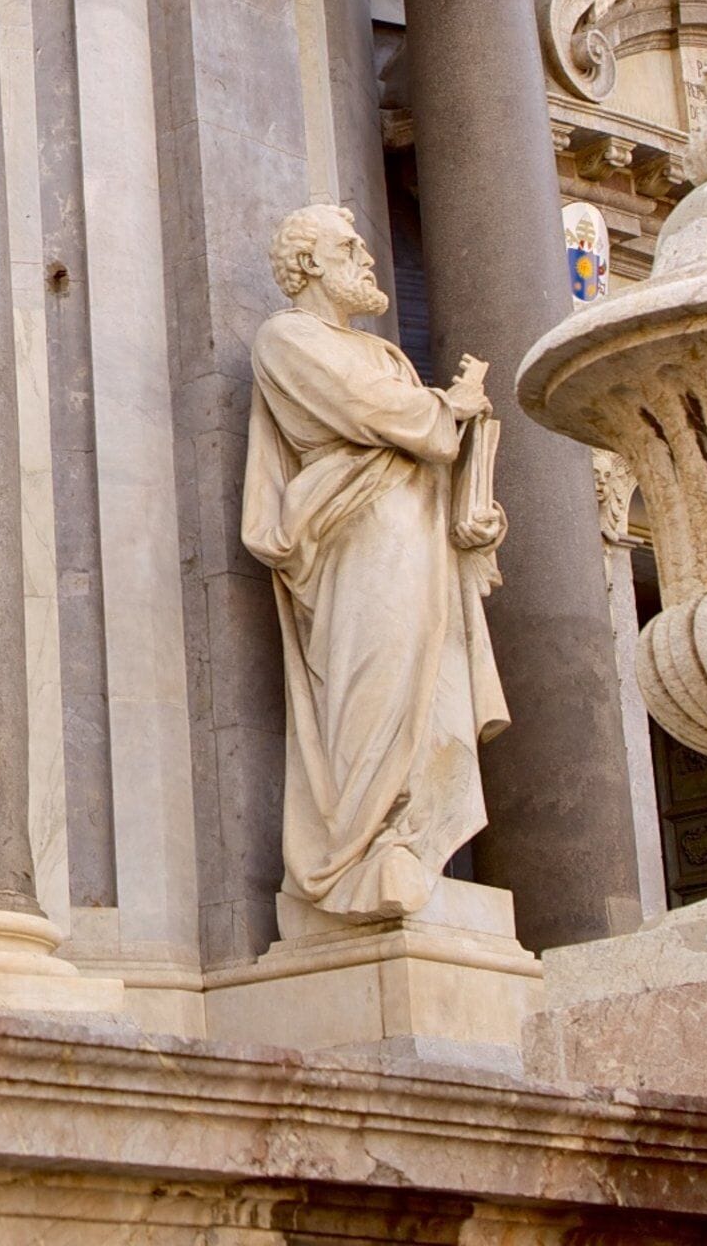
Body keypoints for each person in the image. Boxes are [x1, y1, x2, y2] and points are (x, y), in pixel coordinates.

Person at [241, 205, 509, 922]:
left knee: (423, 687)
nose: (366, 256)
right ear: (309, 266)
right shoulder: (287, 337)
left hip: (414, 530)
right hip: (354, 538)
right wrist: (444, 410)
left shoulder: (388, 355)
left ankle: (406, 838)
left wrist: (469, 483)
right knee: (372, 683)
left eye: (363, 242)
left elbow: (421, 434)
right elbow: (370, 410)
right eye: (347, 246)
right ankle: (353, 854)